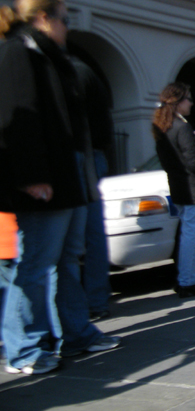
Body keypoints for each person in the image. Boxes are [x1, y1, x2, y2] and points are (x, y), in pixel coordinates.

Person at [0, 0, 120, 375]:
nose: (67, 27)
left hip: (68, 176)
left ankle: (76, 332)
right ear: (43, 19)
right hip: (45, 180)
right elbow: (20, 117)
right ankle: (24, 349)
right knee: (34, 264)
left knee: (67, 259)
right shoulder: (18, 53)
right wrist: (33, 177)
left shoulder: (50, 58)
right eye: (64, 19)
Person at [152, 82, 195, 298]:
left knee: (186, 234)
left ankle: (184, 279)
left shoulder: (163, 129)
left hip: (179, 188)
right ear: (178, 102)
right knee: (192, 235)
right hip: (194, 189)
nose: (191, 103)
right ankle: (187, 282)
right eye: (188, 99)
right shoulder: (182, 127)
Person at [70, 56, 115, 319]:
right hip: (90, 154)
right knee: (90, 233)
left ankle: (92, 301)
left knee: (79, 236)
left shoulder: (72, 72)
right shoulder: (81, 70)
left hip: (83, 155)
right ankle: (95, 299)